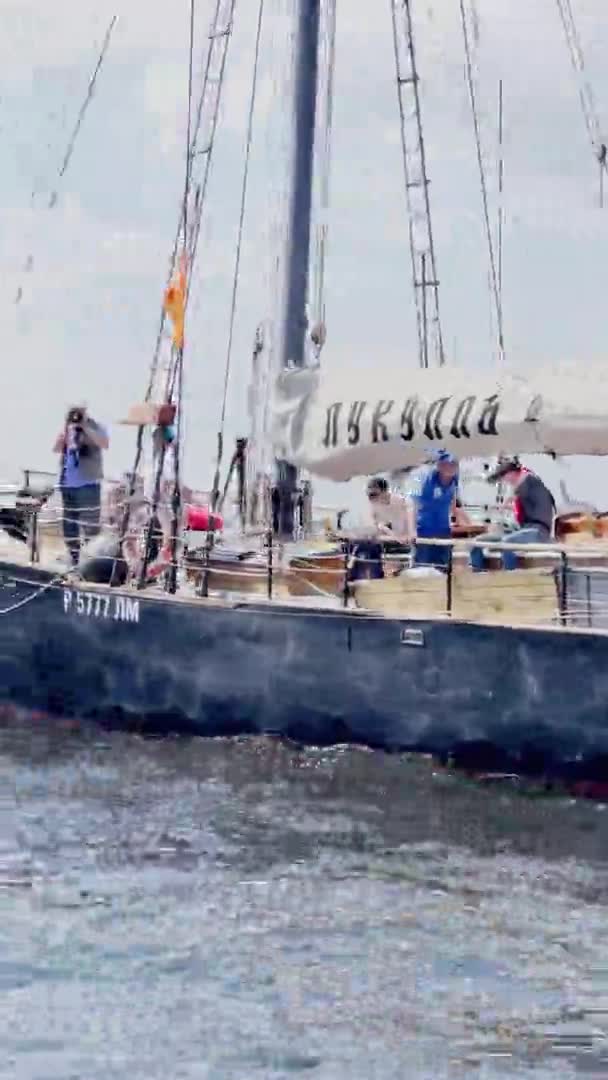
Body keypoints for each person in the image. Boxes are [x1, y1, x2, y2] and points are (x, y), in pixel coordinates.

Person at [470, 455, 555, 572]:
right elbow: (520, 504)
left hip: (538, 531)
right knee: (477, 543)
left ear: (511, 473)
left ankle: (510, 576)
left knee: (507, 543)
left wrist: (509, 500)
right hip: (522, 529)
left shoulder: (530, 482)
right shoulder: (521, 489)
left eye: (503, 477)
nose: (504, 481)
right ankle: (478, 575)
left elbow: (523, 484)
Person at [53, 404, 109, 566]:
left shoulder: (95, 428)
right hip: (68, 485)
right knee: (69, 525)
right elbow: (57, 449)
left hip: (88, 484)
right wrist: (65, 432)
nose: (75, 419)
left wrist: (85, 427)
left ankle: (91, 562)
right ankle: (74, 557)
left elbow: (104, 443)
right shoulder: (68, 430)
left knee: (90, 526)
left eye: (79, 416)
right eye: (73, 416)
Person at [404, 449, 469, 569]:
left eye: (453, 464)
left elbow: (453, 500)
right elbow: (411, 505)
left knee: (443, 568)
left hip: (443, 530)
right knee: (423, 568)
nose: (450, 467)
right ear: (439, 465)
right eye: (446, 464)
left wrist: (464, 521)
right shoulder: (424, 478)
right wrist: (412, 531)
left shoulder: (455, 479)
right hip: (423, 531)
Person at [349, 477, 410, 581]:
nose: (371, 498)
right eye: (369, 495)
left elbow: (401, 533)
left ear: (385, 492)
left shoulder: (399, 503)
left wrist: (384, 528)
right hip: (382, 544)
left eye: (374, 495)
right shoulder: (374, 505)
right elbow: (373, 526)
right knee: (359, 546)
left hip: (398, 546)